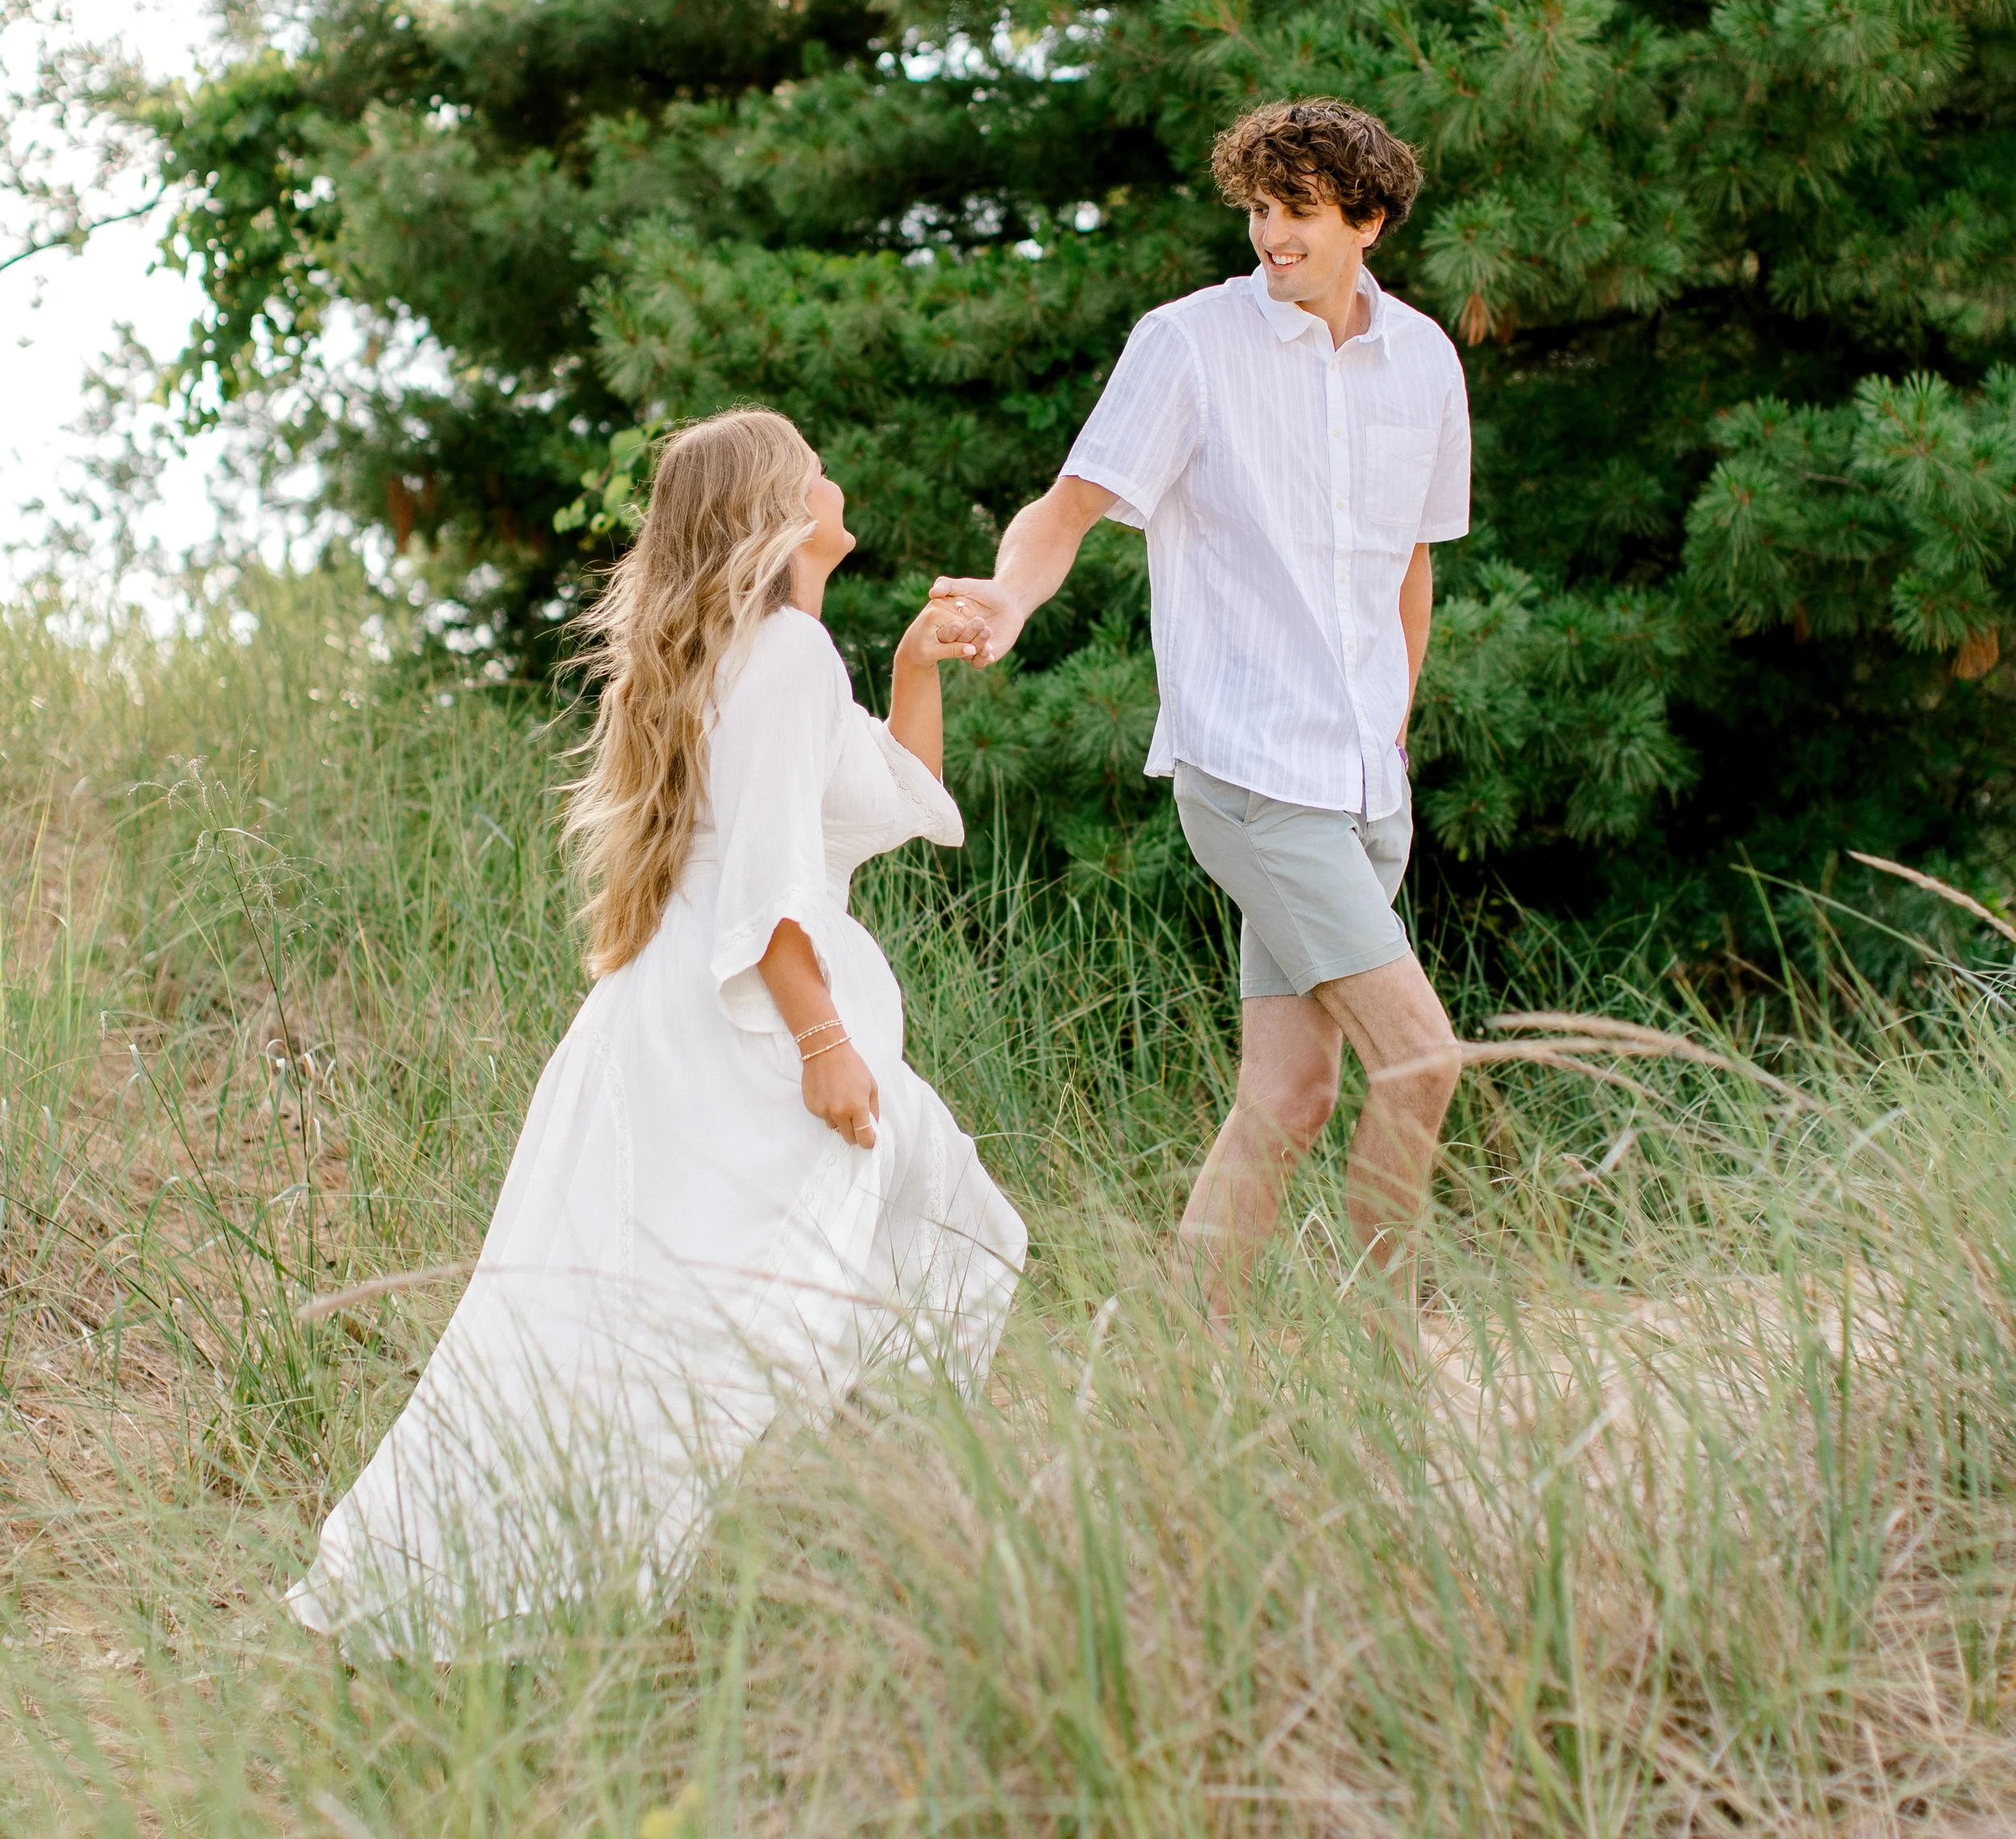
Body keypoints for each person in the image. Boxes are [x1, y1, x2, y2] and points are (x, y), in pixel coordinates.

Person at [288, 408, 1025, 1655]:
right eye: (812, 462)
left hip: (676, 1020)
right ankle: (819, 1563)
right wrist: (824, 1046)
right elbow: (775, 889)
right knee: (902, 1256)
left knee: (669, 1306)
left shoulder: (758, 654)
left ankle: (785, 1551)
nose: (833, 473)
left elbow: (885, 807)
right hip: (747, 1028)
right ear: (776, 508)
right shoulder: (783, 654)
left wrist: (913, 671)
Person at [933, 99, 1468, 1315]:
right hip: (1251, 776)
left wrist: (1395, 723)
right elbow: (1064, 509)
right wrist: (1011, 599)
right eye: (1259, 209)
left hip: (1365, 787)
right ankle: (1388, 1359)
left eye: (1301, 212)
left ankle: (1180, 1361)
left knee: (1287, 1099)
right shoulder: (1185, 345)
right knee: (1423, 1059)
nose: (1272, 235)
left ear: (1368, 220)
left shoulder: (1427, 361)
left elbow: (1412, 566)